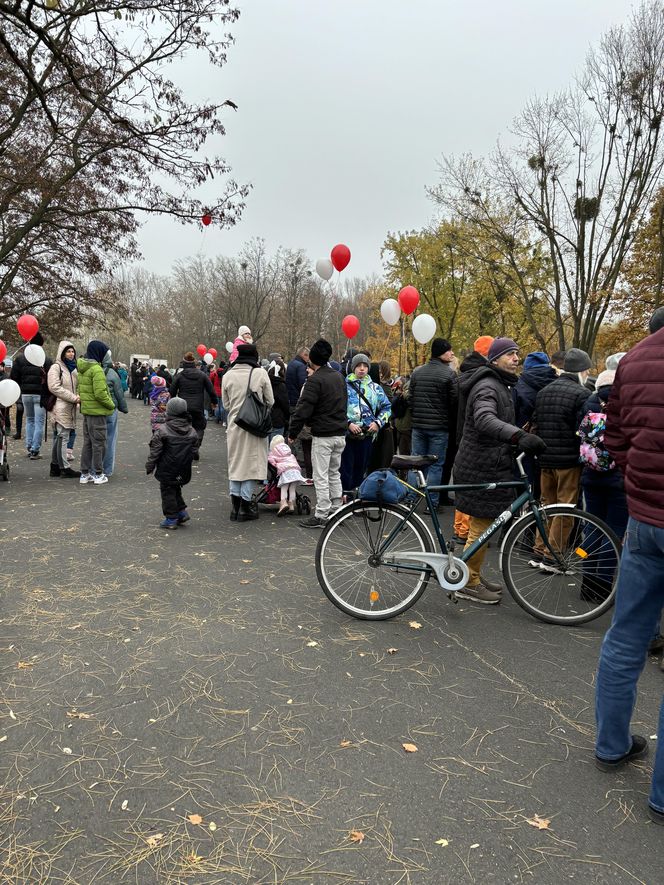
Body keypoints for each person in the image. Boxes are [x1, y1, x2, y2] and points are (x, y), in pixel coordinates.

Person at [593, 321, 664, 823]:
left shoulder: (633, 360)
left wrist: (638, 484)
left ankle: (611, 744)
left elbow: (613, 437)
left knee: (625, 637)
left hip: (644, 520)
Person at [453, 337, 546, 604]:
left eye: (518, 353)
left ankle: (472, 574)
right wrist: (518, 436)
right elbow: (484, 419)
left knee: (483, 524)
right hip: (483, 465)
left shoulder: (500, 383)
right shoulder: (488, 386)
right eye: (510, 354)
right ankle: (467, 581)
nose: (517, 358)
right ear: (494, 360)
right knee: (483, 524)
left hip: (488, 462)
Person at [530, 348, 593, 570]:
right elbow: (582, 430)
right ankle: (553, 555)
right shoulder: (581, 394)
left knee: (546, 506)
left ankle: (538, 551)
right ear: (582, 370)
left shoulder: (544, 391)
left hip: (545, 459)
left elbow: (536, 423)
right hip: (568, 462)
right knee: (565, 510)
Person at [578, 368, 627, 601]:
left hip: (591, 477)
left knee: (591, 528)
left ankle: (587, 582)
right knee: (613, 532)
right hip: (617, 481)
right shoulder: (624, 411)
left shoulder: (589, 409)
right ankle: (603, 585)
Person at [289, 338, 347, 528]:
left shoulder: (315, 380)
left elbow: (303, 409)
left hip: (323, 434)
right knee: (334, 473)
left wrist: (293, 432)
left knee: (321, 475)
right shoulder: (339, 377)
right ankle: (337, 510)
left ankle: (322, 513)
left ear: (312, 359)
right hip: (339, 433)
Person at [222, 342, 274, 521]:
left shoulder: (227, 375)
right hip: (255, 426)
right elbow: (270, 400)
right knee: (252, 465)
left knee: (235, 464)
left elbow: (226, 405)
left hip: (235, 426)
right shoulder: (260, 373)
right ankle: (246, 506)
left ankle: (234, 508)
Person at [452, 335, 494, 544]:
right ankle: (465, 529)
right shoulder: (483, 378)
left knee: (463, 485)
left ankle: (460, 527)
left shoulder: (463, 375)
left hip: (461, 433)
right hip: (474, 436)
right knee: (473, 487)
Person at [408, 338, 458, 510]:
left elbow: (411, 399)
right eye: (449, 350)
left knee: (415, 462)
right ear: (441, 353)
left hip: (418, 426)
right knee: (436, 465)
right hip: (439, 428)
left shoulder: (417, 372)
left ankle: (410, 500)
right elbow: (454, 402)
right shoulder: (449, 374)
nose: (452, 353)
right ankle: (432, 504)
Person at [340, 353, 391, 493]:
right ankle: (345, 497)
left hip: (367, 434)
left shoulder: (375, 388)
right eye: (358, 366)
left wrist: (378, 423)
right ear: (353, 368)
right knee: (345, 469)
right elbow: (337, 409)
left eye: (365, 366)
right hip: (348, 435)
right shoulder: (344, 386)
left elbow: (387, 408)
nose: (362, 369)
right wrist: (348, 423)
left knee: (361, 468)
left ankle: (358, 497)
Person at [146, 396, 198, 530]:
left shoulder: (162, 430)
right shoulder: (192, 431)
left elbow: (155, 451)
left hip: (167, 468)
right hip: (184, 468)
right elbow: (194, 450)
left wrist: (150, 466)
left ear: (169, 412)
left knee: (167, 491)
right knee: (175, 488)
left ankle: (171, 518)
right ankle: (181, 512)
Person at [512, 351, 557, 500]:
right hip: (553, 445)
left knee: (523, 485)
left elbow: (513, 415)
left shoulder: (517, 386)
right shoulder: (556, 383)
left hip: (524, 441)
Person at [77, 339, 116, 485]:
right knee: (99, 444)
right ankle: (98, 474)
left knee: (88, 443)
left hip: (87, 411)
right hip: (98, 413)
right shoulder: (97, 369)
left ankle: (85, 473)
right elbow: (100, 393)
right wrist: (111, 405)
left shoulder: (82, 368)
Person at [10, 331, 52, 460]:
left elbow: (14, 376)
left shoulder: (21, 359)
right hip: (40, 394)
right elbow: (51, 378)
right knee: (39, 422)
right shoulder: (46, 359)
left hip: (26, 394)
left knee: (29, 420)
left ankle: (29, 446)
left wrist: (21, 387)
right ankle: (35, 449)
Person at [170, 351, 217, 458]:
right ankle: (195, 447)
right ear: (194, 363)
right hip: (198, 406)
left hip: (183, 407)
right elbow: (211, 390)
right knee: (199, 427)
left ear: (184, 363)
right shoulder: (202, 375)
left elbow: (171, 391)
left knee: (183, 427)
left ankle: (185, 448)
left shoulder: (179, 376)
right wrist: (214, 402)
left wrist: (172, 404)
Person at [47, 341, 81, 478]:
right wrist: (73, 397)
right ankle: (64, 467)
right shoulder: (56, 367)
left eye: (73, 351)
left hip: (69, 406)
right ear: (62, 353)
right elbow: (54, 387)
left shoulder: (73, 368)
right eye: (68, 351)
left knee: (60, 437)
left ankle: (55, 466)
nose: (71, 354)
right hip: (60, 405)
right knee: (63, 436)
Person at [102, 351, 128, 479]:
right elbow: (119, 393)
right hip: (111, 408)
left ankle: (93, 467)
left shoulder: (90, 370)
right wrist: (124, 408)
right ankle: (107, 469)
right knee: (110, 439)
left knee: (94, 441)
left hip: (94, 410)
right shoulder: (112, 373)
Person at [268, 434, 305, 516]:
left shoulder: (273, 452)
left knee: (284, 488)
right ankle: (291, 505)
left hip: (286, 472)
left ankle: (283, 503)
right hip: (295, 471)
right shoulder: (289, 452)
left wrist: (276, 465)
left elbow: (271, 461)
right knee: (292, 489)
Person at [268, 359, 290, 442]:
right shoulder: (281, 385)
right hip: (278, 418)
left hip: (266, 418)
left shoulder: (266, 382)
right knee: (276, 446)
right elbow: (285, 404)